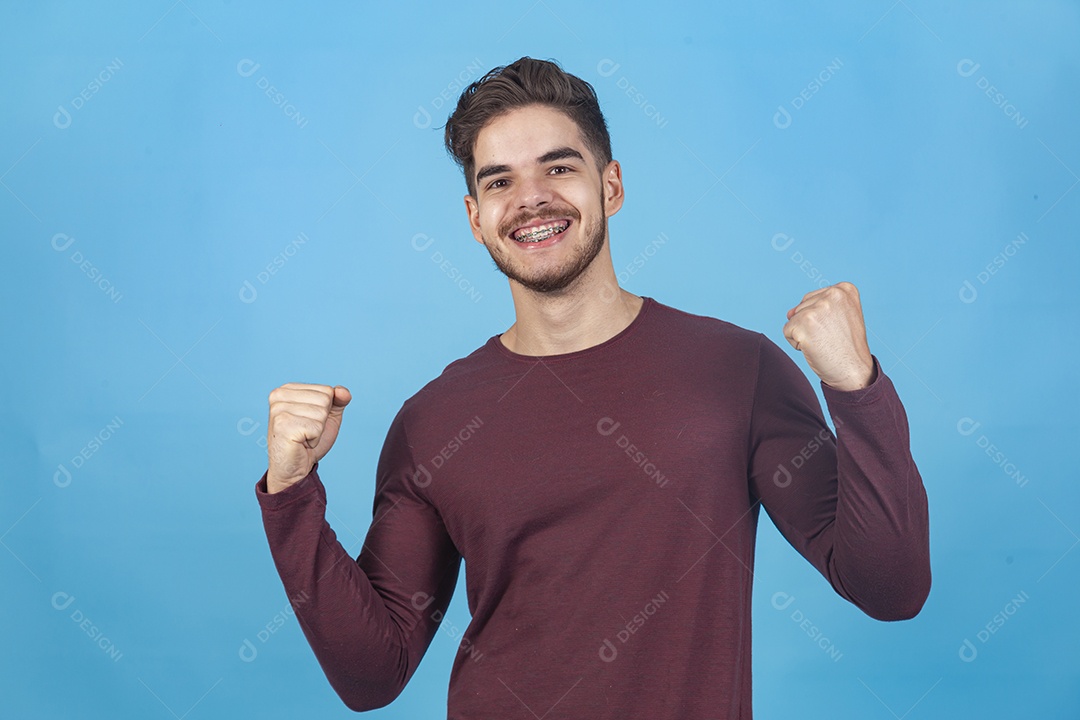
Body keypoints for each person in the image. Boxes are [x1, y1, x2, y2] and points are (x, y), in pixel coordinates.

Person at [254, 57, 930, 718]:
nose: (530, 199)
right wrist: (291, 496)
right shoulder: (432, 421)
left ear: (611, 186)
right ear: (474, 217)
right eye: (499, 182)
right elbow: (373, 675)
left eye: (558, 167)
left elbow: (890, 587)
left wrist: (857, 389)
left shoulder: (738, 371)